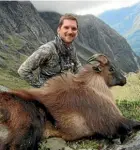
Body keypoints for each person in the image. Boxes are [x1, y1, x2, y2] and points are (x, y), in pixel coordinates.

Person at [18, 14, 82, 88]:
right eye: (66, 27)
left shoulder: (72, 49)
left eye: (73, 28)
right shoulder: (48, 49)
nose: (70, 32)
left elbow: (78, 67)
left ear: (77, 32)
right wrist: (43, 88)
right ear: (59, 30)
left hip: (64, 95)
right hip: (45, 97)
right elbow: (23, 71)